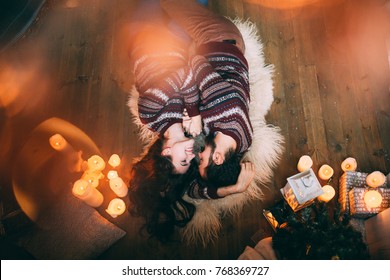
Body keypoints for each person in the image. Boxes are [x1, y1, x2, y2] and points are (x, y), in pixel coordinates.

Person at [160, 0, 254, 198]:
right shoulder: (225, 108)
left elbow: (192, 189)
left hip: (230, 55)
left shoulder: (240, 145)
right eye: (201, 160)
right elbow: (196, 61)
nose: (197, 156)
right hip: (218, 37)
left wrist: (233, 189)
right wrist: (195, 115)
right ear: (217, 158)